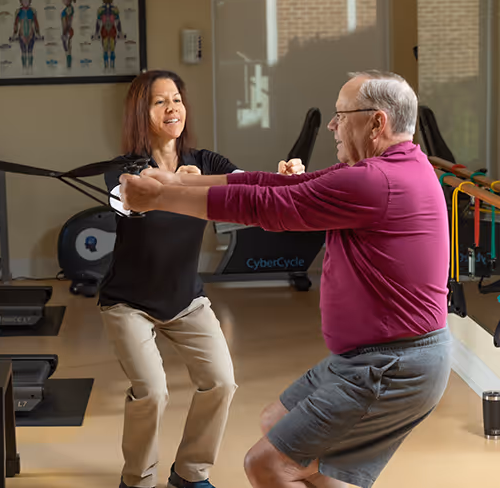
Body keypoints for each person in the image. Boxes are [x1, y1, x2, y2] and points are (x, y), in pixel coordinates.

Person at [119, 70, 452, 488]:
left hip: (391, 364)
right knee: (276, 421)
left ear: (377, 122)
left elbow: (268, 204)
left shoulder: (376, 181)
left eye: (340, 115)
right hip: (365, 358)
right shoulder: (388, 168)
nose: (332, 125)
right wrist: (172, 182)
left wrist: (161, 197)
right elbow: (270, 183)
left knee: (267, 465)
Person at [100, 70, 304, 488]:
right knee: (152, 391)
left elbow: (249, 187)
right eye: (160, 101)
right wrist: (175, 184)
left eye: (176, 98)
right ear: (141, 112)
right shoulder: (123, 169)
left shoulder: (206, 162)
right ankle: (136, 480)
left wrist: (284, 177)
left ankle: (190, 474)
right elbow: (130, 199)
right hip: (128, 303)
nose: (172, 107)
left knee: (221, 382)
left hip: (185, 301)